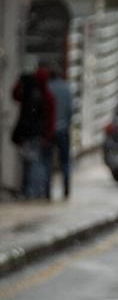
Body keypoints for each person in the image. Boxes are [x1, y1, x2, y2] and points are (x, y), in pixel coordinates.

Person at [10, 59, 55, 200]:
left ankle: (30, 191)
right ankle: (34, 191)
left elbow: (16, 95)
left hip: (29, 133)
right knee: (35, 163)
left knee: (29, 163)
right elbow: (50, 116)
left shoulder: (30, 89)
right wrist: (47, 134)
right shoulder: (45, 94)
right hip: (36, 133)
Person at [46, 63, 73, 199]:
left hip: (50, 130)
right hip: (63, 129)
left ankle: (47, 191)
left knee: (48, 161)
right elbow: (70, 110)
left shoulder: (48, 88)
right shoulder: (66, 88)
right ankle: (66, 189)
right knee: (65, 161)